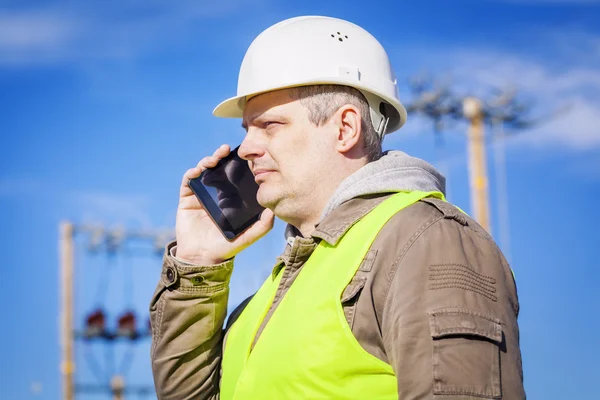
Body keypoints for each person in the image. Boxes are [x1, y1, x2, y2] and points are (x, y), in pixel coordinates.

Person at [150, 16, 525, 400]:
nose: (245, 148)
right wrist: (197, 264)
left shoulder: (427, 241)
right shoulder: (271, 293)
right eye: (247, 129)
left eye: (269, 125)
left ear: (344, 129)